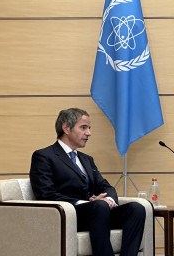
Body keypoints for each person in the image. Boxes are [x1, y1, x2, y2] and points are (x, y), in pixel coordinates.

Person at [29, 108, 145, 256]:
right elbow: (45, 194)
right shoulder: (44, 156)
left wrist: (109, 199)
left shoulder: (86, 159)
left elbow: (105, 186)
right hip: (68, 215)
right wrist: (87, 203)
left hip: (96, 212)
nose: (89, 133)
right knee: (100, 206)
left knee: (136, 209)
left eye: (89, 128)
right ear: (66, 128)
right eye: (83, 127)